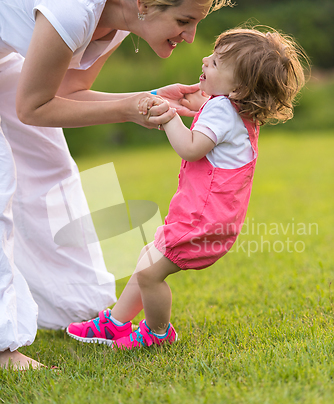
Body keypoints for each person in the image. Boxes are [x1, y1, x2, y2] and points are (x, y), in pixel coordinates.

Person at [0, 0, 238, 369]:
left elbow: (66, 94)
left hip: (5, 59)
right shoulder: (73, 6)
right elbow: (33, 108)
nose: (191, 36)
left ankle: (73, 305)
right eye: (183, 21)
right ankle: (4, 348)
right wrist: (128, 108)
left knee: (51, 166)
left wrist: (146, 99)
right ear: (145, 1)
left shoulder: (117, 19)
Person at [67, 26, 307, 350]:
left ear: (239, 88)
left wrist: (169, 117)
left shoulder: (223, 110)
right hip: (208, 217)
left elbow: (191, 147)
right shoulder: (236, 109)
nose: (206, 60)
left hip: (201, 220)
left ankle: (158, 333)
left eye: (217, 63)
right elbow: (211, 118)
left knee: (150, 273)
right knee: (146, 258)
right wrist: (201, 101)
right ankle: (116, 324)